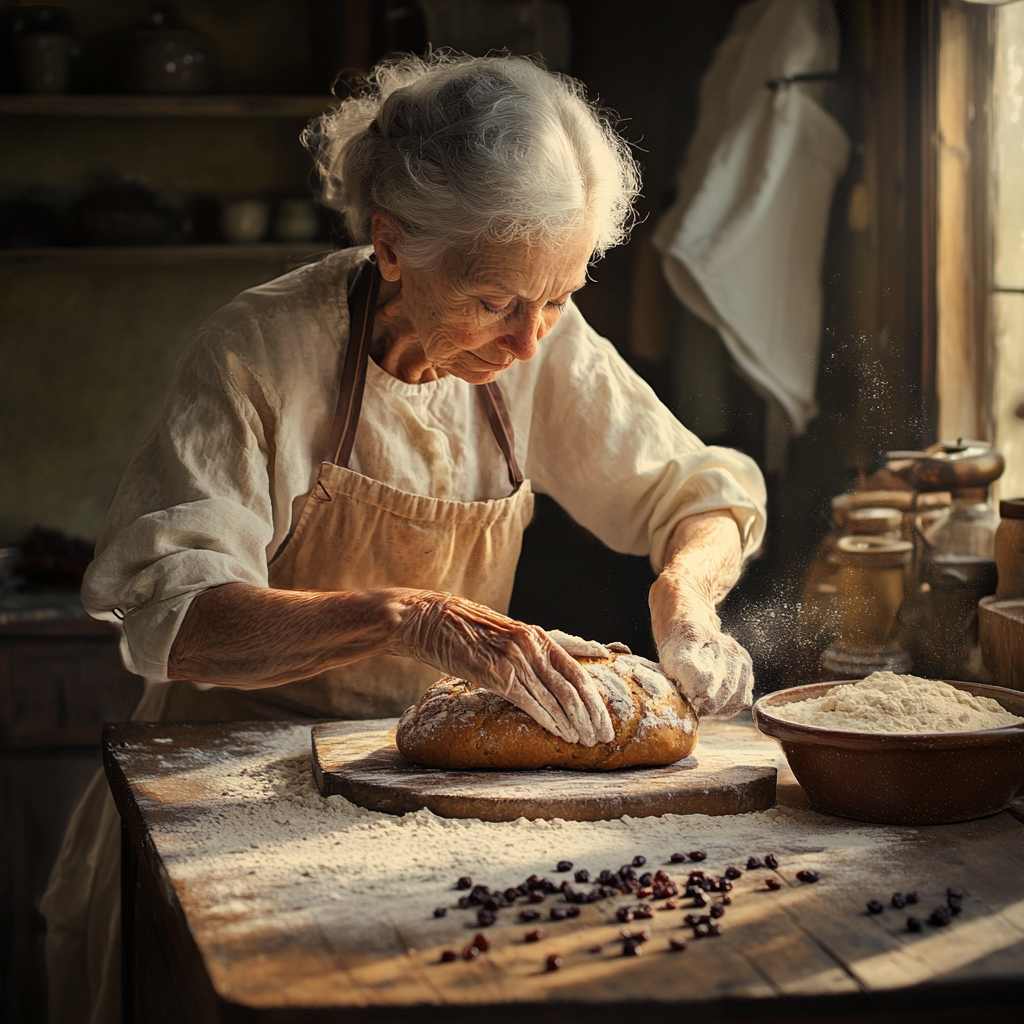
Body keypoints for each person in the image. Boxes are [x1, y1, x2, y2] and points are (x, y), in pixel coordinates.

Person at [42, 52, 766, 1023]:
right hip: (233, 801)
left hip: (434, 804)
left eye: (558, 296)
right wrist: (410, 619)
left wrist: (685, 599)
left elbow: (702, 493)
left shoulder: (540, 341)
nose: (527, 341)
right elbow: (179, 619)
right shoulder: (261, 355)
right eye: (496, 302)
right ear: (392, 247)